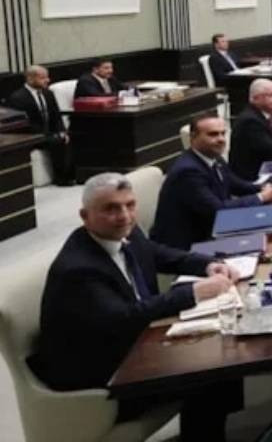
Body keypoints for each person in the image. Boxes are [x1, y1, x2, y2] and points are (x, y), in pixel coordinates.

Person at [29, 173, 243, 441]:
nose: (124, 216)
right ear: (85, 216)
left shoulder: (125, 234)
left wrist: (207, 265)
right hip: (103, 372)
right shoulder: (79, 270)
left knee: (221, 355)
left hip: (134, 345)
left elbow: (158, 253)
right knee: (210, 374)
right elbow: (124, 317)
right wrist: (193, 293)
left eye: (130, 205)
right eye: (111, 208)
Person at [151, 112, 272, 249]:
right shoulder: (188, 171)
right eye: (213, 134)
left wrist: (264, 188)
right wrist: (261, 197)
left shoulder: (213, 157)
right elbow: (218, 211)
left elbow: (235, 184)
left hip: (213, 230)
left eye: (223, 133)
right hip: (188, 246)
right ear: (193, 137)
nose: (221, 139)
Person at [5, 64, 74, 185]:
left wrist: (62, 131)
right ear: (30, 79)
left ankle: (74, 175)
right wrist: (50, 135)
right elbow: (24, 124)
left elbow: (56, 116)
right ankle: (62, 178)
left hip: (48, 133)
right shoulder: (18, 98)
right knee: (58, 142)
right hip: (31, 135)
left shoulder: (48, 93)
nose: (47, 80)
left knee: (70, 137)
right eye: (43, 78)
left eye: (47, 77)